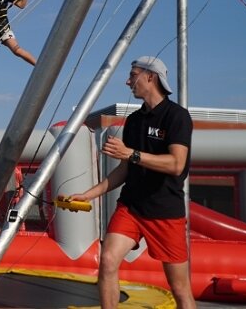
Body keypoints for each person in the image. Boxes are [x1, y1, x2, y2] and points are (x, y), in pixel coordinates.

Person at [61, 56, 196, 309]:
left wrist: (130, 154)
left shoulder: (177, 116)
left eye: (132, 75)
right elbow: (124, 170)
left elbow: (176, 164)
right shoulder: (133, 121)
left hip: (165, 211)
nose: (127, 81)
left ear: (150, 77)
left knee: (180, 288)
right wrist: (88, 195)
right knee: (108, 260)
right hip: (131, 207)